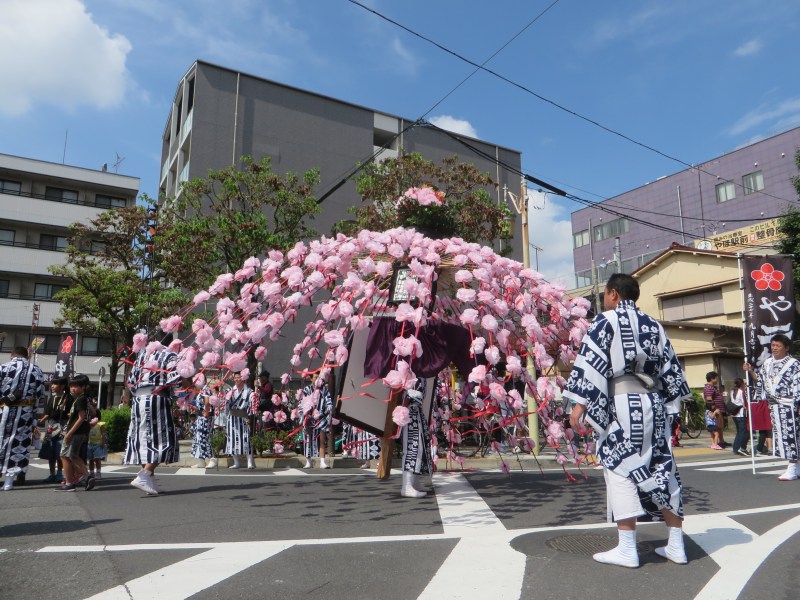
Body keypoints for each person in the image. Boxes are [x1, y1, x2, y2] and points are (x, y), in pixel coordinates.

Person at [565, 273, 691, 568]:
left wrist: (579, 404)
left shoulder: (605, 321)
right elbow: (672, 372)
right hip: (654, 404)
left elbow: (592, 365)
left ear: (613, 295)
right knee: (663, 467)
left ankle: (627, 548)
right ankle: (676, 545)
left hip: (622, 405)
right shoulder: (655, 325)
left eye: (606, 295)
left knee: (619, 466)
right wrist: (671, 410)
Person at [124, 332, 188, 496]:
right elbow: (176, 379)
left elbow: (130, 381)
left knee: (143, 440)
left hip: (138, 400)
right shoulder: (169, 354)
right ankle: (145, 475)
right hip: (156, 399)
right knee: (164, 439)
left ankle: (149, 480)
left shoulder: (142, 354)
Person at [744, 334, 800, 481]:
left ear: (786, 348)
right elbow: (761, 381)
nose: (774, 348)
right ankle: (796, 466)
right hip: (774, 406)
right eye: (773, 345)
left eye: (778, 346)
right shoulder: (768, 363)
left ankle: (792, 467)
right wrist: (750, 370)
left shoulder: (794, 364)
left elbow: (798, 386)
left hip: (789, 405)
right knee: (783, 437)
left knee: (791, 436)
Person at [0, 346, 46, 491]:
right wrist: (34, 415)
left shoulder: (3, 368)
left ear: (12, 356)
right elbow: (40, 396)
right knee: (18, 444)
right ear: (27, 356)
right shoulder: (37, 370)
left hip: (3, 410)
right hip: (25, 413)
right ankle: (9, 481)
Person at [56, 374, 95, 492]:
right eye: (71, 386)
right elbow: (93, 413)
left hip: (75, 432)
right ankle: (87, 477)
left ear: (84, 387)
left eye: (76, 386)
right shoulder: (83, 399)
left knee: (64, 455)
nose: (73, 388)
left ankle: (69, 483)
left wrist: (69, 433)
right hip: (81, 432)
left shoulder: (80, 399)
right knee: (73, 455)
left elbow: (81, 417)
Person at [399, 377, 433, 498]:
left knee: (420, 448)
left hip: (417, 412)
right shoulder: (410, 370)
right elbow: (406, 394)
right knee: (412, 448)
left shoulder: (420, 372)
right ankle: (406, 486)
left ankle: (415, 482)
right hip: (410, 413)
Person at [37, 377, 72, 483]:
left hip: (63, 426)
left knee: (60, 451)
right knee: (50, 451)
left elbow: (71, 415)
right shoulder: (52, 398)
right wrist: (40, 421)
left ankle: (59, 474)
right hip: (51, 426)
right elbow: (47, 413)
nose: (52, 386)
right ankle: (52, 474)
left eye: (55, 384)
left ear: (62, 386)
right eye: (52, 384)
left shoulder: (69, 398)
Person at [299, 371, 333, 469]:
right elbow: (301, 403)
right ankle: (308, 461)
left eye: (319, 377)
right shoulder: (306, 389)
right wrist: (305, 412)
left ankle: (322, 461)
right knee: (308, 439)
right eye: (315, 377)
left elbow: (329, 402)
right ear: (311, 379)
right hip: (309, 417)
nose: (317, 379)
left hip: (321, 416)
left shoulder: (324, 390)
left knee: (322, 439)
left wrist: (328, 409)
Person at [224, 372, 256, 469]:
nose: (237, 379)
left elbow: (252, 402)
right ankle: (236, 462)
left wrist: (255, 393)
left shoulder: (249, 391)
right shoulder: (230, 390)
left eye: (239, 377)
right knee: (232, 439)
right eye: (235, 378)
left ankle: (250, 462)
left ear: (243, 378)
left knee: (246, 439)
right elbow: (226, 403)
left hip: (243, 417)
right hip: (232, 418)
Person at [704, 372, 728, 448]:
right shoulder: (709, 387)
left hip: (719, 409)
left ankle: (721, 441)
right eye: (716, 378)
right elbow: (709, 400)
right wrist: (714, 409)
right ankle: (717, 443)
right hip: (716, 410)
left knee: (720, 426)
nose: (717, 380)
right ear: (712, 379)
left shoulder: (713, 387)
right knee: (717, 427)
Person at [729, 378, 749, 456]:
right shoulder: (741, 392)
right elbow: (744, 404)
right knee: (743, 432)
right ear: (741, 384)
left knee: (739, 432)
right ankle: (741, 448)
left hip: (734, 414)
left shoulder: (732, 391)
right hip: (741, 413)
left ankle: (735, 448)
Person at [86, 414, 108, 479]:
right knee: (91, 459)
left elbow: (103, 433)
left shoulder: (100, 424)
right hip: (90, 443)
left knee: (97, 459)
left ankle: (98, 472)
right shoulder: (88, 424)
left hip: (98, 444)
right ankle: (91, 472)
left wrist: (103, 442)